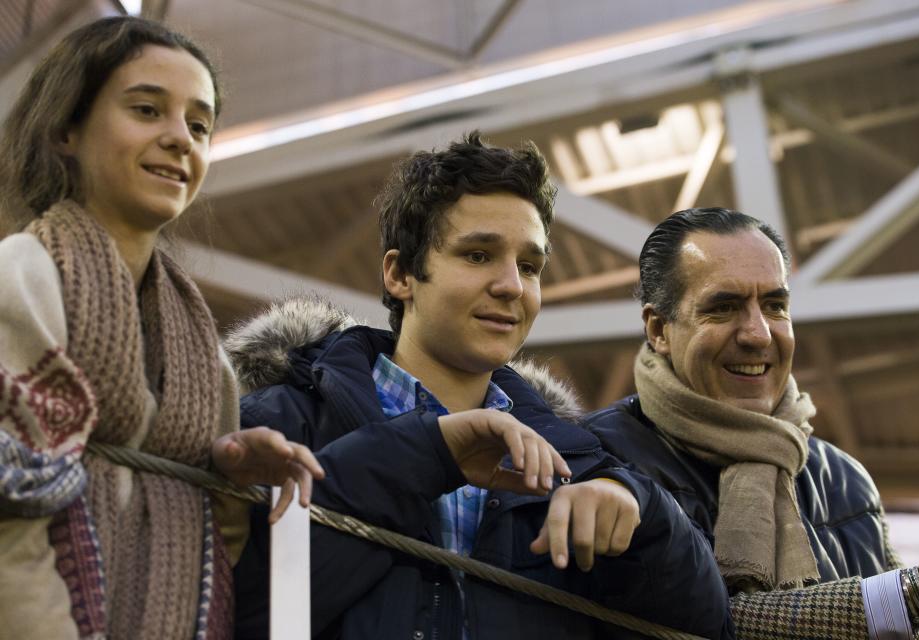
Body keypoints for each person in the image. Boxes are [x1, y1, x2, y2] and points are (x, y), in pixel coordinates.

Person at [226, 133, 734, 639]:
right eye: (477, 255)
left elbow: (712, 625)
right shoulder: (277, 425)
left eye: (530, 266)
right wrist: (425, 453)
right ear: (400, 274)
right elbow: (238, 614)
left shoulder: (580, 463)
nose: (512, 285)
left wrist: (641, 507)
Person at [0, 16, 324, 639]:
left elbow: (219, 549)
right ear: (67, 127)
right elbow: (10, 514)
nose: (181, 139)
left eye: (198, 125)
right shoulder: (24, 274)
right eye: (148, 110)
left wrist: (231, 482)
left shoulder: (206, 354)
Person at [582, 207, 919, 640]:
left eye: (775, 305)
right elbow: (700, 624)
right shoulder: (600, 459)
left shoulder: (844, 477)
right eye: (723, 308)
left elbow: (918, 635)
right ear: (659, 330)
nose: (759, 334)